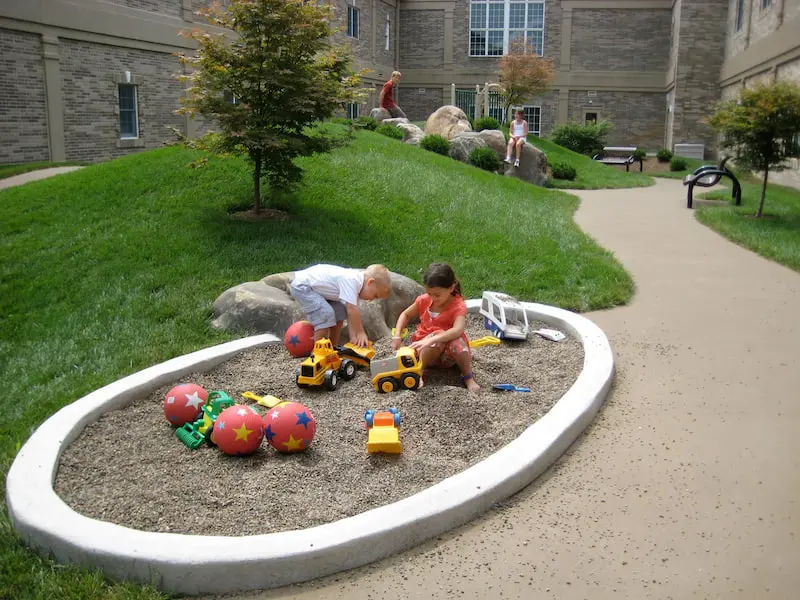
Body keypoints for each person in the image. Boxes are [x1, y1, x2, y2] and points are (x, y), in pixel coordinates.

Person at [391, 263, 479, 391]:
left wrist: (433, 339)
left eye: (437, 295)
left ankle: (468, 377)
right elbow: (405, 314)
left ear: (451, 287)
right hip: (424, 353)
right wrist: (397, 336)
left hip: (449, 356)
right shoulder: (424, 300)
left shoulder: (458, 306)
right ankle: (419, 372)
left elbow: (458, 330)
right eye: (429, 293)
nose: (432, 298)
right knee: (434, 341)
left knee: (453, 342)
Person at [289, 264, 391, 347]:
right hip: (303, 287)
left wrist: (354, 338)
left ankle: (334, 348)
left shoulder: (358, 288)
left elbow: (351, 314)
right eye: (375, 295)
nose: (372, 299)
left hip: (316, 290)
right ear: (370, 282)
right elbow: (352, 310)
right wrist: (360, 332)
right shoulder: (352, 280)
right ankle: (317, 354)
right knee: (326, 314)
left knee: (341, 311)